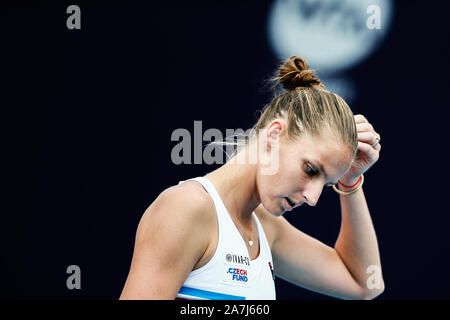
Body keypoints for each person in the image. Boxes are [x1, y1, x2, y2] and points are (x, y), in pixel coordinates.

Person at [119, 56, 384, 300]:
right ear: (274, 135)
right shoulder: (186, 209)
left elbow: (364, 283)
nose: (312, 198)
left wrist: (350, 181)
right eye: (311, 170)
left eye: (325, 184)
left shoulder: (265, 227)